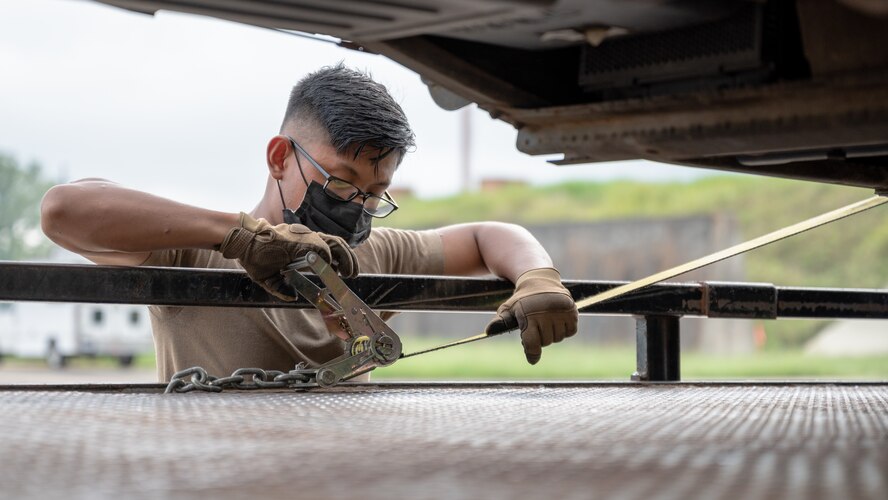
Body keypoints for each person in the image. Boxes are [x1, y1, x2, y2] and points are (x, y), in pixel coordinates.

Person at [40, 64, 578, 382]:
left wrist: (537, 276)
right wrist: (241, 237)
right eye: (342, 183)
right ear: (280, 157)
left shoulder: (377, 253)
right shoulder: (192, 251)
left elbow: (490, 236)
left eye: (375, 193)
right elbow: (63, 210)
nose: (357, 206)